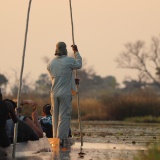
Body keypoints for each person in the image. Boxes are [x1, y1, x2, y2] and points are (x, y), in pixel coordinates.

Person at [47, 42, 82, 145]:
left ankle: (55, 139)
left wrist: (72, 81)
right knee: (64, 117)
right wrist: (76, 52)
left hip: (54, 93)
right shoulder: (69, 60)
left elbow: (60, 76)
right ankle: (61, 140)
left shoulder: (50, 63)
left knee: (55, 117)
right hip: (64, 93)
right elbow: (79, 64)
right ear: (65, 50)